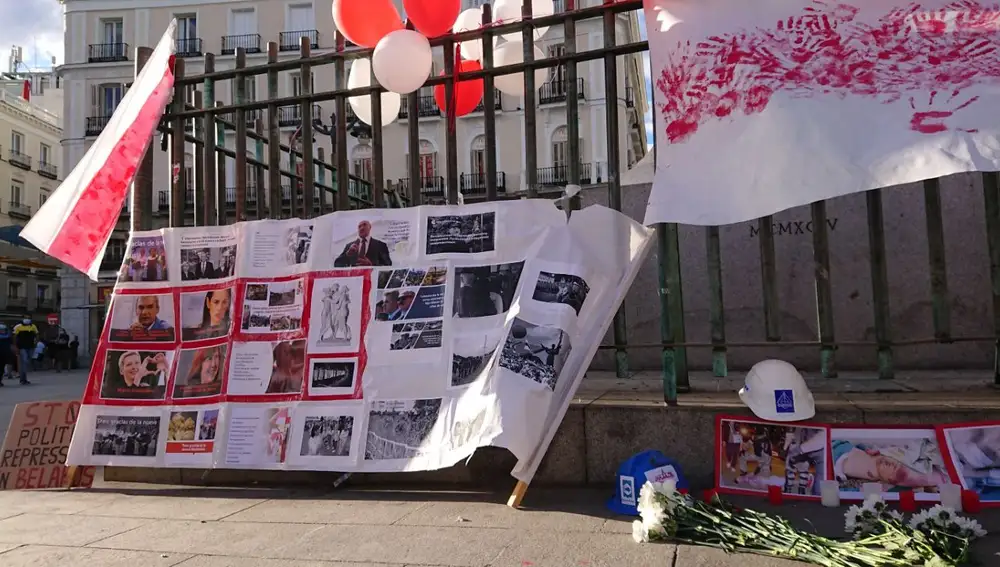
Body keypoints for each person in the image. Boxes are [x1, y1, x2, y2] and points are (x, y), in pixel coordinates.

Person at [102, 351, 168, 399]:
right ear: (121, 371)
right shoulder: (115, 389)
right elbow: (129, 397)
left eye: (137, 363)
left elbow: (165, 396)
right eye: (129, 364)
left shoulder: (146, 388)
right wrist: (138, 377)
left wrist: (166, 371)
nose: (134, 367)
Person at [12, 318, 37, 385]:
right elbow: (14, 336)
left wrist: (35, 343)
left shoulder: (33, 326)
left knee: (26, 363)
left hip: (30, 347)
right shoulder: (18, 327)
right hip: (22, 347)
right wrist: (15, 346)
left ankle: (23, 379)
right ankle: (23, 379)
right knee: (24, 361)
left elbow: (36, 334)